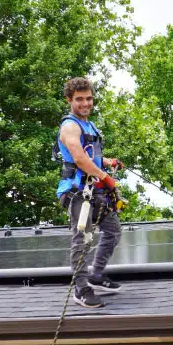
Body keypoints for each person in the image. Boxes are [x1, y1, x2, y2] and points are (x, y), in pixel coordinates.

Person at [56, 77, 124, 308]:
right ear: (69, 100)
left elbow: (91, 156)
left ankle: (97, 275)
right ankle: (81, 288)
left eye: (89, 98)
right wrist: (107, 178)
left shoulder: (89, 126)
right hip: (76, 191)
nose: (85, 103)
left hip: (94, 190)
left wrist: (107, 162)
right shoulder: (70, 126)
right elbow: (79, 158)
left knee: (113, 231)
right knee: (82, 238)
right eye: (79, 99)